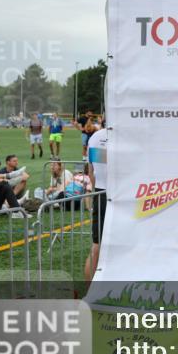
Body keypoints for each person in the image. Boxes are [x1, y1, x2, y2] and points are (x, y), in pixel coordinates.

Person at [84, 121, 108, 283]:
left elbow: (91, 171)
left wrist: (94, 193)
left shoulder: (95, 137)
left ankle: (89, 288)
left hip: (101, 192)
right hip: (122, 194)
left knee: (97, 244)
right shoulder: (128, 136)